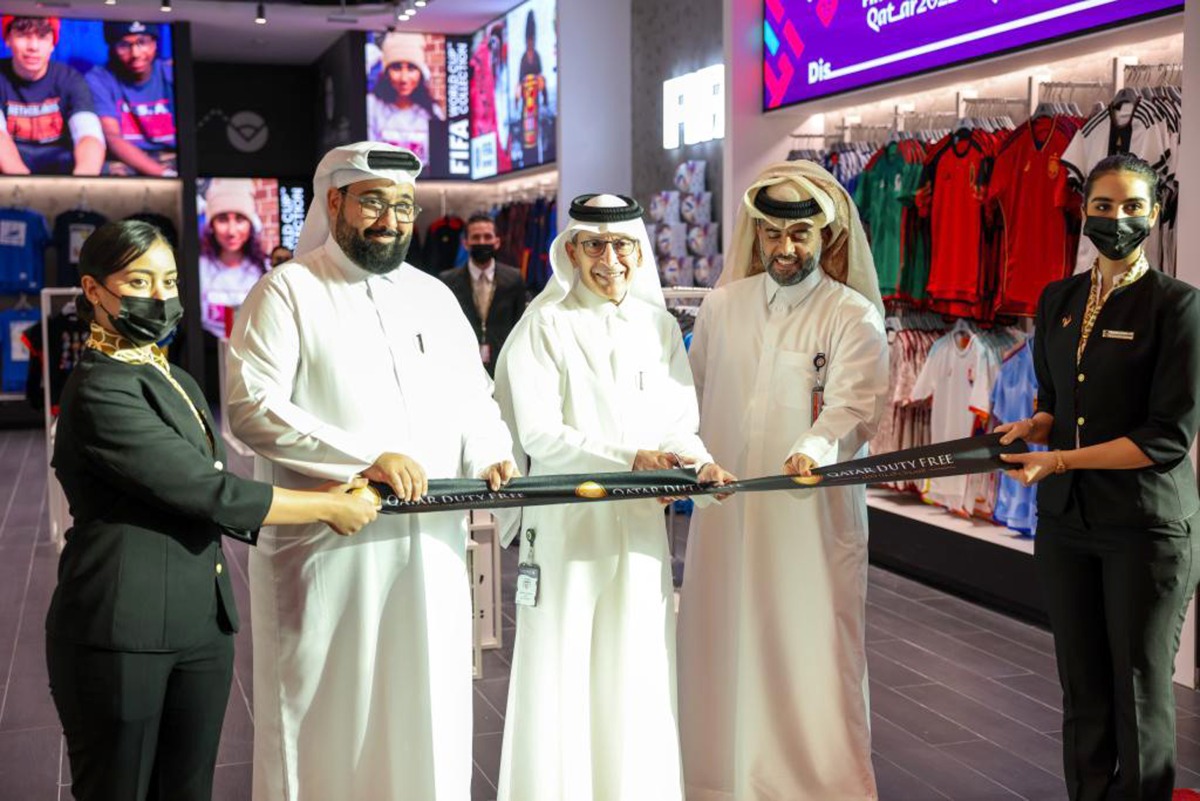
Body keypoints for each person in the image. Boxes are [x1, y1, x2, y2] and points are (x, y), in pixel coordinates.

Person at [45, 219, 377, 801]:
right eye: (140, 281)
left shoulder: (171, 376)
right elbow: (203, 488)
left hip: (202, 621)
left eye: (169, 280)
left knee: (189, 787)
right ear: (95, 291)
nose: (160, 296)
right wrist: (326, 505)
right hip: (123, 627)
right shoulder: (99, 388)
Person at [225, 142, 518, 801]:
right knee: (333, 715)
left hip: (433, 551)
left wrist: (493, 449)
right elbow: (250, 406)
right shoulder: (288, 291)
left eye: (405, 205)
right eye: (376, 202)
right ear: (335, 203)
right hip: (333, 548)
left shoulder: (435, 297)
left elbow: (474, 395)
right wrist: (365, 459)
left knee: (431, 708)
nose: (392, 219)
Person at [492, 194, 735, 801]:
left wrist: (701, 468)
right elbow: (540, 433)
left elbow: (680, 423)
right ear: (570, 250)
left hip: (641, 530)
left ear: (639, 250)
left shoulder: (657, 327)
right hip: (570, 528)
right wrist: (631, 461)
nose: (609, 259)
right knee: (563, 670)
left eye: (621, 245)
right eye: (594, 245)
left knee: (637, 669)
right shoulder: (543, 326)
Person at [677, 161, 889, 801]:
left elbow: (855, 406)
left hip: (809, 523)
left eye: (799, 234)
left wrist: (814, 446)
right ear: (757, 234)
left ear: (824, 237)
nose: (785, 248)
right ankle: (717, 781)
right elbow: (693, 394)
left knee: (809, 651)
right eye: (772, 234)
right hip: (725, 514)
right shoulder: (722, 306)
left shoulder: (850, 314)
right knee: (721, 638)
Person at [998, 154, 1200, 801]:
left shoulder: (1179, 308)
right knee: (1082, 685)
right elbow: (1057, 397)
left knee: (1139, 689)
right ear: (1084, 210)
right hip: (1066, 523)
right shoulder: (1058, 298)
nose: (1118, 218)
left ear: (1155, 212)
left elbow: (1166, 438)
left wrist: (1060, 458)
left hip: (1145, 527)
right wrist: (1037, 426)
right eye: (1104, 205)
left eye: (1133, 205)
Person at [0, 15, 104, 175]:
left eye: (42, 36)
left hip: (59, 161)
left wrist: (83, 183)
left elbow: (89, 134)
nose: (33, 46)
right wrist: (24, 189)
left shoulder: (70, 78)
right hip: (11, 161)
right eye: (22, 35)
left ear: (53, 43)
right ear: (7, 39)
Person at [85, 21, 177, 177]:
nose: (135, 53)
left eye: (142, 42)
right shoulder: (99, 79)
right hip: (126, 160)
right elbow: (112, 136)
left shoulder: (170, 72)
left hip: (171, 156)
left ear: (155, 44)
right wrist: (163, 175)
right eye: (124, 45)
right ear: (112, 48)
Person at [438, 213, 525, 375]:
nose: (482, 242)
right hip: (462, 362)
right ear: (465, 243)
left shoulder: (514, 279)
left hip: (503, 363)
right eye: (476, 237)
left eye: (487, 236)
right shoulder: (447, 281)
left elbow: (519, 326)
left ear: (497, 242)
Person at [367, 33, 448, 175]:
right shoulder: (372, 106)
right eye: (397, 68)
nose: (404, 78)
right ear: (386, 72)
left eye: (411, 68)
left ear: (421, 72)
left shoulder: (433, 112)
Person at [199, 178, 268, 338]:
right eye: (223, 219)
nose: (232, 231)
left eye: (240, 219)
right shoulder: (198, 268)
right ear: (211, 225)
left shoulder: (264, 269)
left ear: (251, 224)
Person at [516, 10, 547, 168]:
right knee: (526, 134)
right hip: (525, 105)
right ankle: (526, 160)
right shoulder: (523, 58)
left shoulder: (537, 56)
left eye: (532, 40)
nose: (530, 43)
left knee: (536, 133)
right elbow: (519, 82)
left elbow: (542, 78)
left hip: (535, 104)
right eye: (528, 40)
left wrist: (543, 92)